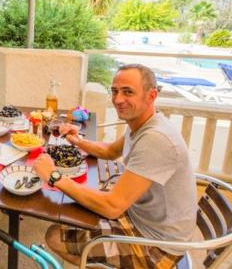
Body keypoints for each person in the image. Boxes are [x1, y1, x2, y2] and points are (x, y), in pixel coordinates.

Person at [33, 64, 197, 269]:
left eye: (128, 92)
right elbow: (109, 151)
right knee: (78, 204)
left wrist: (54, 176)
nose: (118, 99)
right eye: (115, 91)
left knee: (56, 236)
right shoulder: (143, 122)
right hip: (139, 215)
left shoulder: (155, 139)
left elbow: (112, 207)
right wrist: (77, 141)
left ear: (151, 95)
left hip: (156, 246)